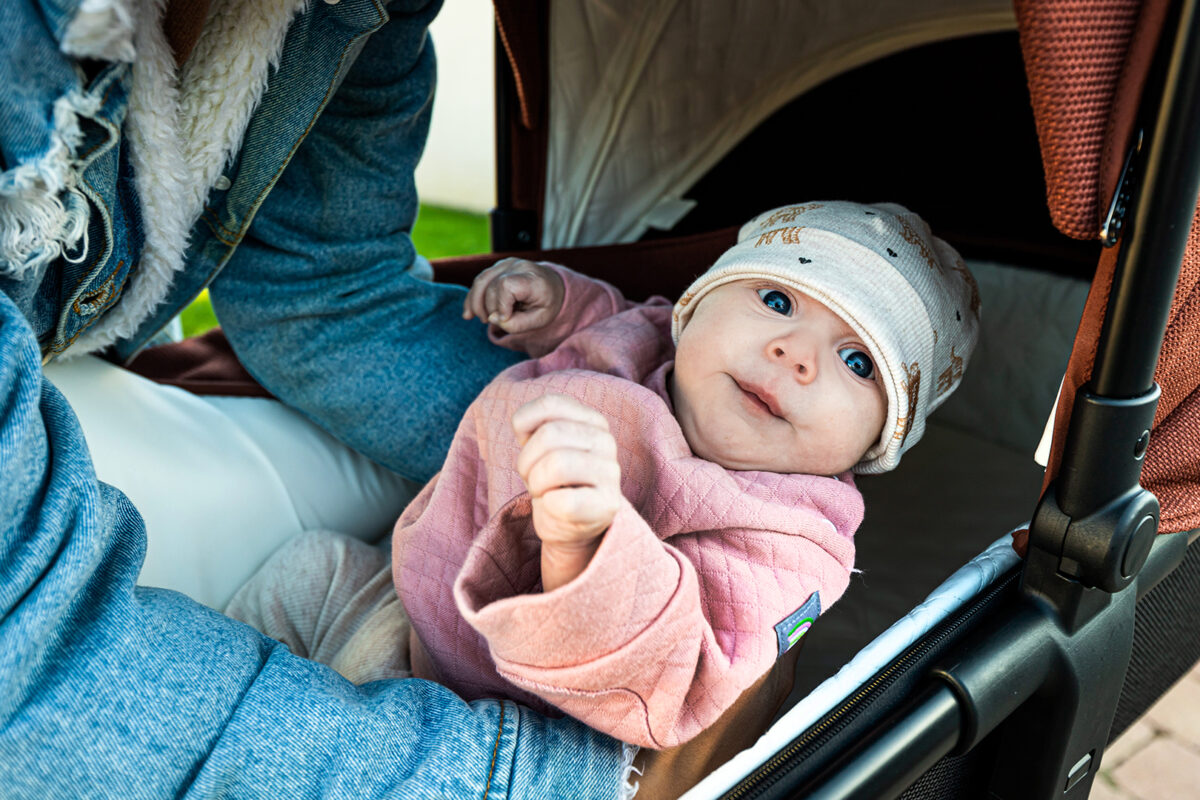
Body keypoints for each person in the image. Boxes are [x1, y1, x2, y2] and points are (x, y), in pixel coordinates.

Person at [0, 0, 633, 795]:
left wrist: (646, 442)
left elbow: (323, 286)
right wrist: (530, 776)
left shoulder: (359, 14)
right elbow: (32, 656)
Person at [227, 201, 982, 750]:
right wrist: (554, 301)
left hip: (513, 718)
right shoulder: (655, 342)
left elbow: (685, 668)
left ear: (873, 445)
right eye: (778, 299)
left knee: (324, 738)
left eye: (857, 362)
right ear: (696, 310)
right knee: (306, 568)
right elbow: (615, 316)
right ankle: (232, 694)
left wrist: (587, 548)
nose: (795, 353)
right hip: (414, 602)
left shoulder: (796, 537)